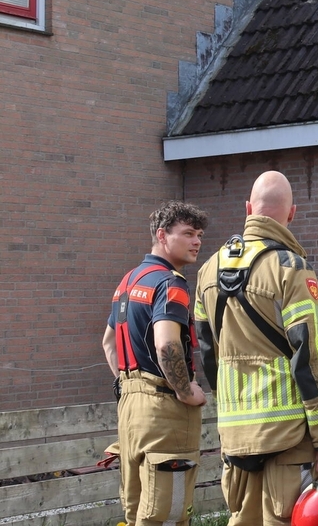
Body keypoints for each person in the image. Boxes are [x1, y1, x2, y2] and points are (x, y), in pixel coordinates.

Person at [194, 171, 318, 526]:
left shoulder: (206, 272)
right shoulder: (291, 269)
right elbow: (310, 357)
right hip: (287, 433)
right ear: (291, 214)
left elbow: (207, 354)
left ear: (248, 209)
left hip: (235, 434)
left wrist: (228, 415)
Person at [101, 201, 209, 526]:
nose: (197, 241)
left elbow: (108, 343)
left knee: (137, 514)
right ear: (162, 235)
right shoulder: (170, 283)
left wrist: (131, 385)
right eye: (188, 233)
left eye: (200, 234)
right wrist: (186, 391)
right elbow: (166, 343)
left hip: (130, 410)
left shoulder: (127, 283)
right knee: (167, 514)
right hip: (164, 413)